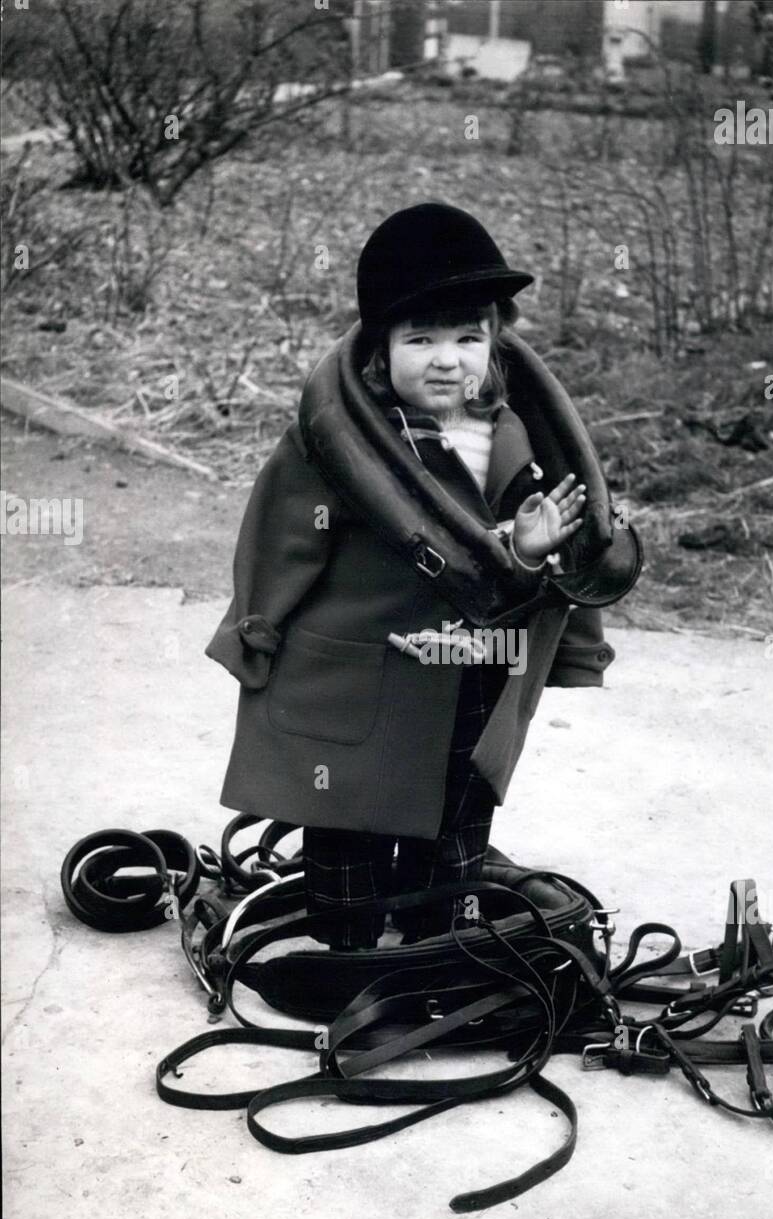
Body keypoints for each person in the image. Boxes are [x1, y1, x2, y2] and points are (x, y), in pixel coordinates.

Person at [206, 202, 619, 948]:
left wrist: (529, 555)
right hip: (361, 680)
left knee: (454, 826)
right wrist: (255, 629)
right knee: (347, 830)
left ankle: (438, 943)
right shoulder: (342, 442)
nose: (445, 359)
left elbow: (544, 570)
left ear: (495, 347)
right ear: (380, 346)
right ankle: (347, 945)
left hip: (470, 684)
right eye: (420, 337)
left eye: (468, 337)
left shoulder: (518, 442)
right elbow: (283, 532)